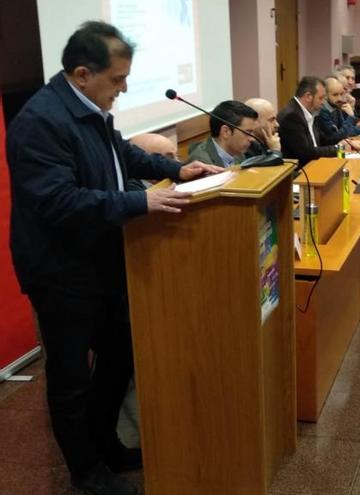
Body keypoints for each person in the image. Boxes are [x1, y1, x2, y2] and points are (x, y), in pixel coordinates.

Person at [6, 21, 224, 495]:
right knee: (70, 378)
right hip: (60, 270)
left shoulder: (87, 106)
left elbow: (119, 153)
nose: (123, 90)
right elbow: (57, 202)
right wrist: (138, 203)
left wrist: (175, 168)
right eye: (117, 80)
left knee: (120, 352)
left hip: (99, 259)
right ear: (82, 73)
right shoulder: (40, 122)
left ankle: (106, 444)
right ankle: (85, 474)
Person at [278, 76, 339, 166]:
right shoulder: (292, 116)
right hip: (301, 171)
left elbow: (323, 140)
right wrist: (338, 148)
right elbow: (306, 153)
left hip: (314, 164)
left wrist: (344, 144)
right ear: (308, 96)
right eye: (321, 98)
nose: (323, 103)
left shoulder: (310, 112)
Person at [186, 100, 259, 167]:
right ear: (226, 132)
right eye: (248, 133)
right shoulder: (202, 163)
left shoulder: (238, 152)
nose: (252, 139)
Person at [315, 75, 360, 147]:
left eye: (341, 94)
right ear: (325, 95)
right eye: (335, 95)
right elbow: (335, 138)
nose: (340, 98)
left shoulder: (336, 107)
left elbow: (345, 131)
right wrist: (351, 117)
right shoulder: (322, 112)